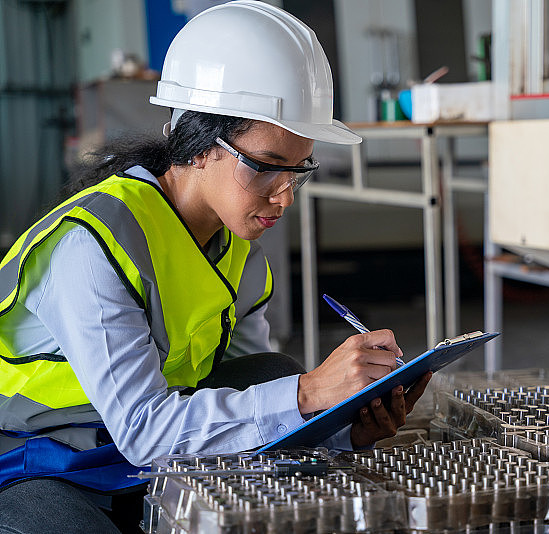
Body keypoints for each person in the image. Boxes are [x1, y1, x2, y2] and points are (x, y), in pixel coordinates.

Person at [0, 2, 431, 532]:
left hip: (134, 457)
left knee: (275, 372)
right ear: (200, 144)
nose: (285, 196)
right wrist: (309, 394)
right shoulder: (92, 245)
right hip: (42, 463)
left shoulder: (236, 245)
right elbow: (145, 431)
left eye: (298, 172)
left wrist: (345, 426)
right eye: (268, 167)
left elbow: (256, 394)